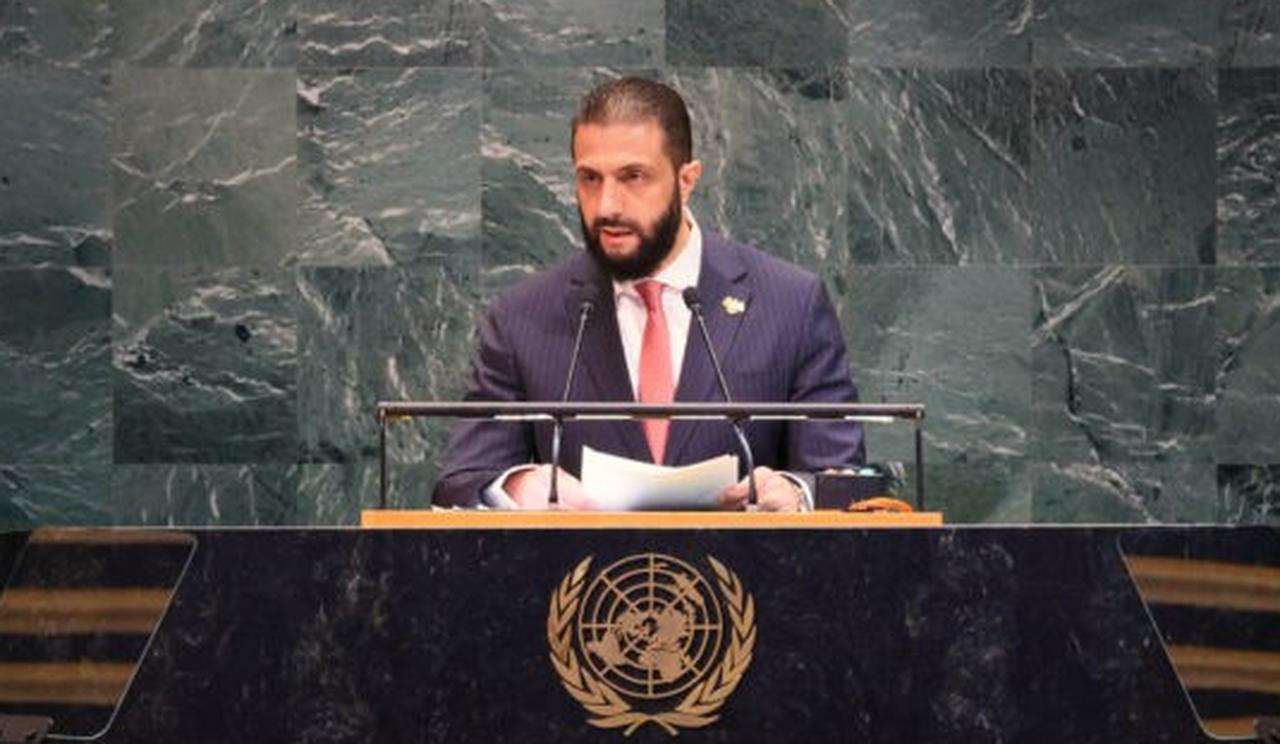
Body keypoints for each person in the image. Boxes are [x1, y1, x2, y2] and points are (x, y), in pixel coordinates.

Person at [432, 77, 864, 512]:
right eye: (590, 179)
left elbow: (841, 477)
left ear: (686, 180)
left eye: (633, 177)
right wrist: (517, 486)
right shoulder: (521, 318)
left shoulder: (790, 304)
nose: (606, 205)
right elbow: (463, 482)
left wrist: (796, 492)